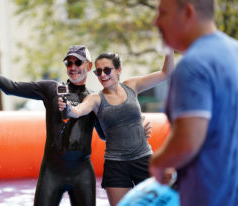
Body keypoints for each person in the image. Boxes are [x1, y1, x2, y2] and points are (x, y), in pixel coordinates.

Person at [0, 43, 106, 206]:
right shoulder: (51, 89)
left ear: (89, 66)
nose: (72, 67)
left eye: (77, 62)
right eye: (69, 63)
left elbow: (104, 135)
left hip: (82, 173)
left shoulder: (94, 99)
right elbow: (10, 88)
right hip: (52, 172)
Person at [149, 0, 238, 206]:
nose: (156, 22)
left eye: (163, 13)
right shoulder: (234, 52)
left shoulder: (193, 65)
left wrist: (159, 163)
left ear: (188, 12)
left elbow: (187, 142)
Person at [58, 51, 174, 206]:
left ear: (118, 70)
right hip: (116, 165)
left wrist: (169, 48)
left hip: (143, 159)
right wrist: (67, 108)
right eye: (98, 72)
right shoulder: (96, 99)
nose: (102, 75)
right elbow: (77, 111)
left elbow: (166, 73)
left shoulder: (132, 85)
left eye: (107, 70)